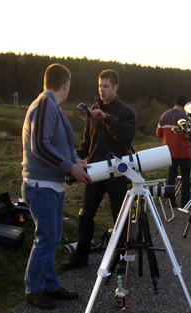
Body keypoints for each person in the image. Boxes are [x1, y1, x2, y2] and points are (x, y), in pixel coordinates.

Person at [21, 63, 91, 309]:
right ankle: (34, 289)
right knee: (47, 237)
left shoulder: (53, 107)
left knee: (53, 237)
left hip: (52, 185)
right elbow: (39, 146)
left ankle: (51, 285)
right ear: (66, 84)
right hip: (41, 186)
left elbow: (59, 143)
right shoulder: (43, 106)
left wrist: (75, 159)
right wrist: (69, 167)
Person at [62, 69, 136, 271]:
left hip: (118, 173)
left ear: (115, 87)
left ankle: (121, 259)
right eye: (99, 86)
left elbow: (126, 137)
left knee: (119, 219)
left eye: (105, 86)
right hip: (94, 170)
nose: (101, 90)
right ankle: (81, 257)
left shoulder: (126, 112)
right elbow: (87, 143)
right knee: (85, 215)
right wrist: (72, 158)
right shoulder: (91, 110)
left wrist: (107, 118)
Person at [156, 94, 191, 207]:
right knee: (186, 178)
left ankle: (170, 201)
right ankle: (185, 203)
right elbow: (189, 136)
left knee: (171, 177)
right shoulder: (185, 118)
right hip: (184, 152)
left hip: (169, 152)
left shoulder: (164, 115)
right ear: (185, 104)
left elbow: (158, 134)